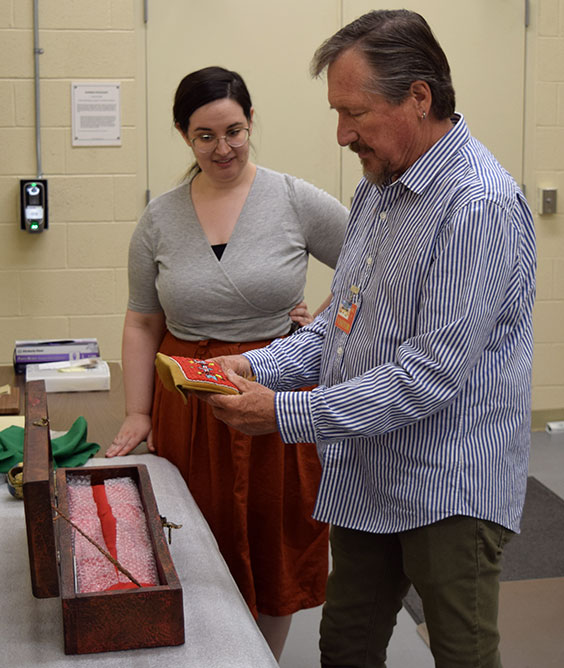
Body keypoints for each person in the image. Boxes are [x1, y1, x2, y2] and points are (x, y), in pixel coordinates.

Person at [195, 11, 536, 668]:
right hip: (369, 474)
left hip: (448, 486)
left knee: (463, 655)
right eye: (336, 112)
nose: (343, 133)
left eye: (356, 112)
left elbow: (430, 374)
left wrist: (284, 413)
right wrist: (258, 365)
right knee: (346, 647)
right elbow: (337, 324)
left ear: (419, 97)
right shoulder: (380, 187)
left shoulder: (479, 205)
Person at [105, 66, 348, 660]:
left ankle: (261, 658)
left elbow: (368, 271)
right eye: (205, 136)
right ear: (185, 136)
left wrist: (315, 328)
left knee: (272, 539)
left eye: (234, 131)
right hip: (188, 403)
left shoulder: (294, 199)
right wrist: (139, 412)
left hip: (273, 393)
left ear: (251, 122)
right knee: (193, 538)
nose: (223, 148)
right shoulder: (160, 219)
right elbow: (142, 322)